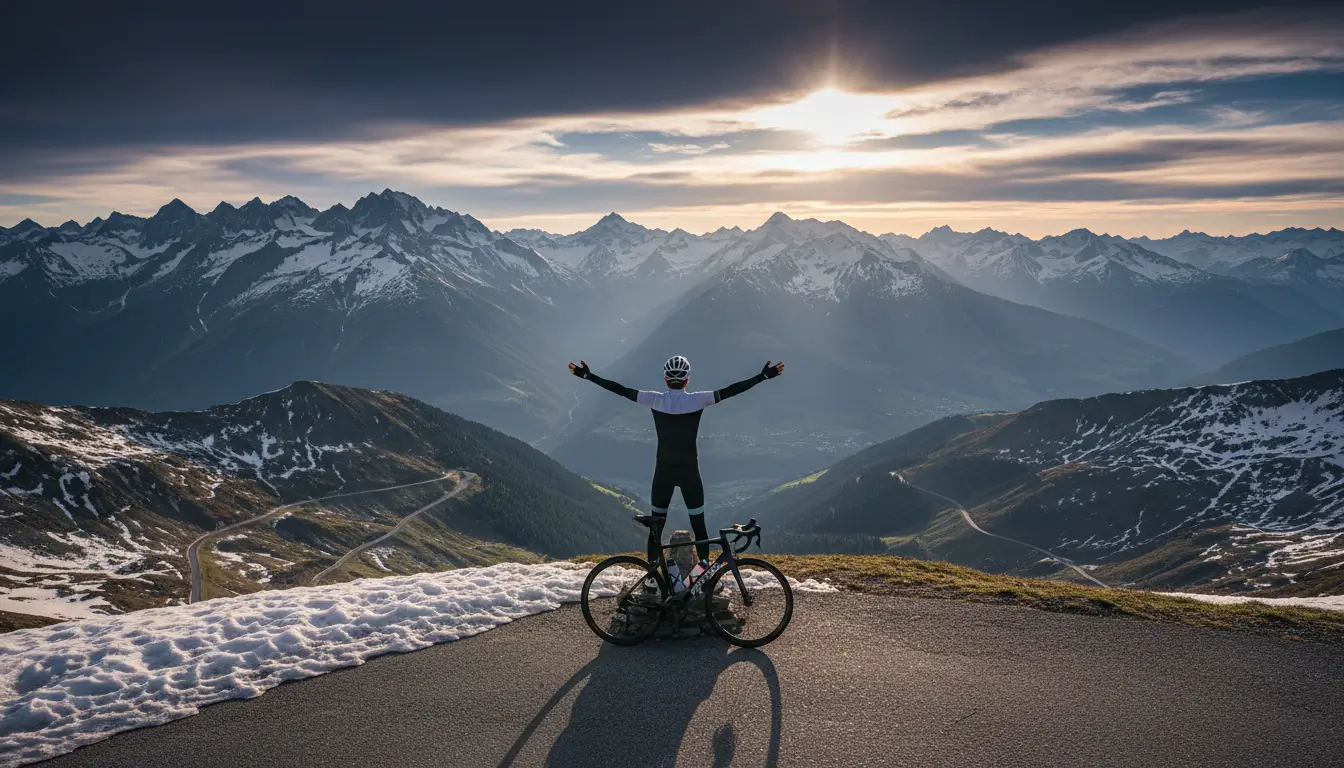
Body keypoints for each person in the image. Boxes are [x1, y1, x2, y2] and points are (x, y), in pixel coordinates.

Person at [568, 355, 784, 568]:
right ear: (687, 380)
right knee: (699, 527)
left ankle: (652, 579)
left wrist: (589, 376)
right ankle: (703, 575)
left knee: (656, 530)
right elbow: (731, 390)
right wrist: (761, 377)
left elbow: (621, 390)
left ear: (665, 379)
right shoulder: (697, 400)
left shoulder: (655, 399)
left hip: (663, 473)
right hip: (690, 473)